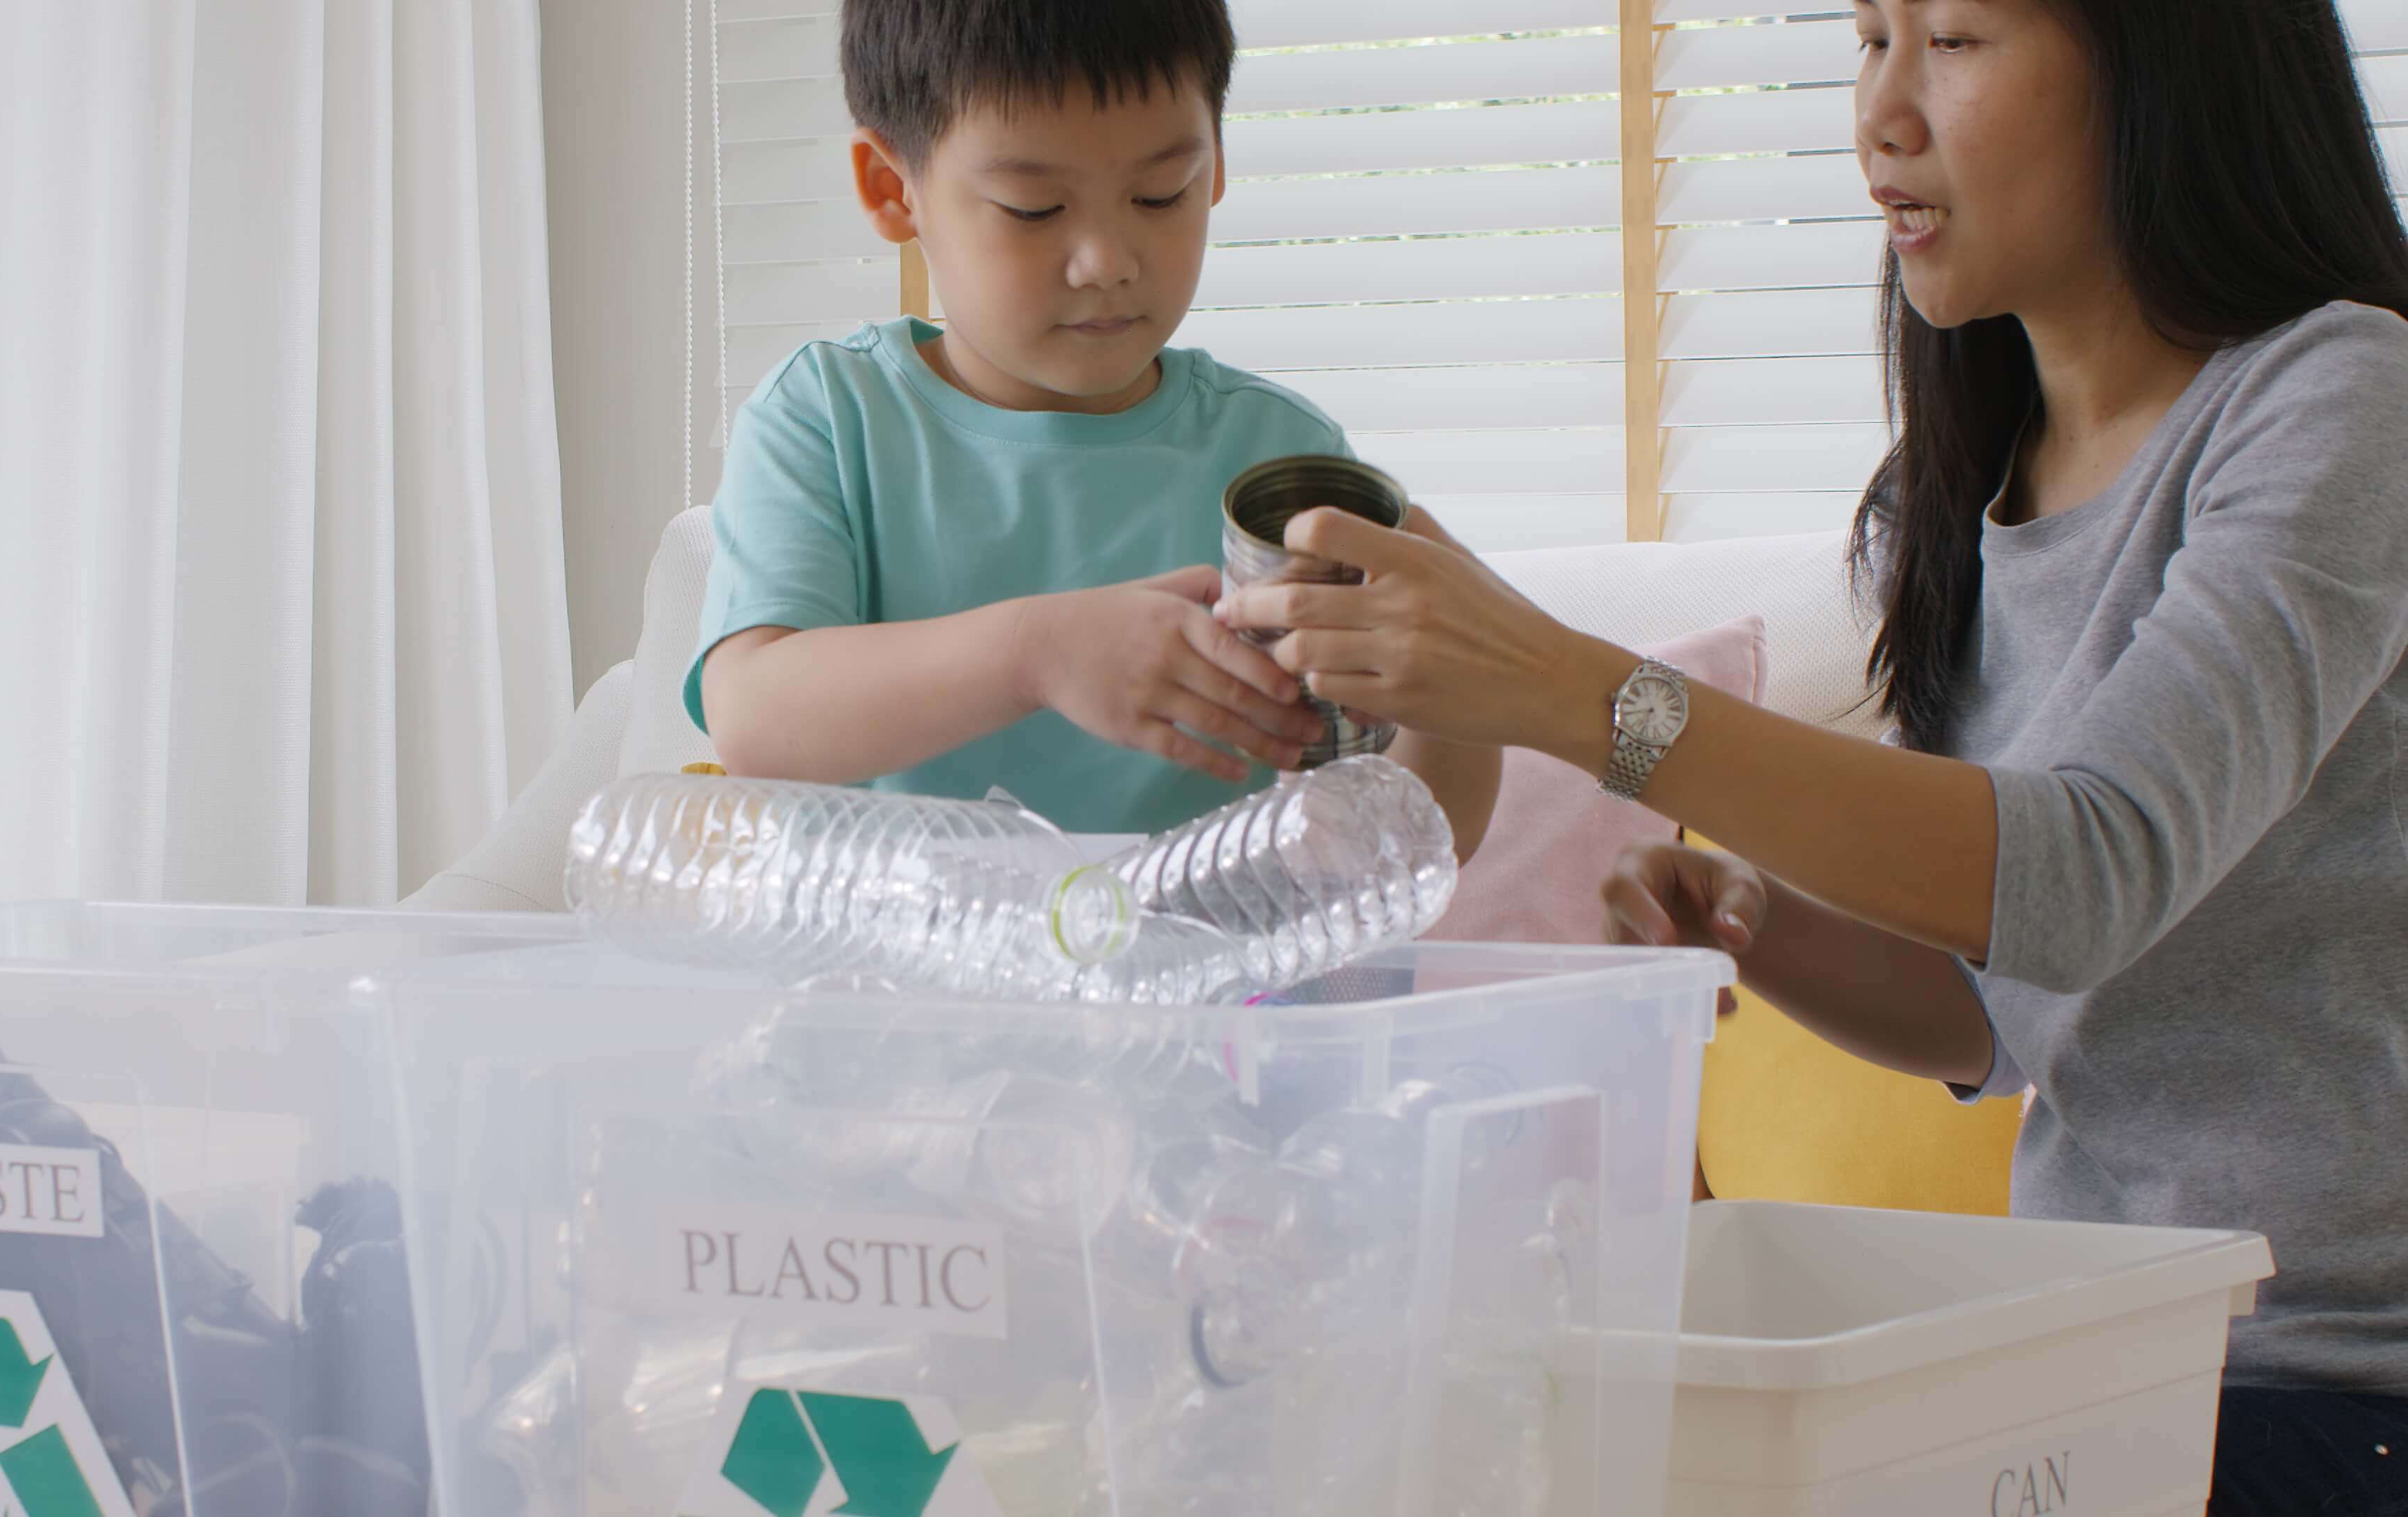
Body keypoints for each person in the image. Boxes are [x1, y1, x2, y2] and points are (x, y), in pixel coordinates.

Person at [1215, 0, 2408, 1506]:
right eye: (1865, 39)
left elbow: (2087, 868)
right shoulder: (1971, 482)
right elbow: (2004, 1011)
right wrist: (1762, 929)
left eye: (1954, 42)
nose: (1878, 115)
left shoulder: (2343, 399)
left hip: (2330, 1384)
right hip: (2080, 1361)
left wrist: (1580, 692)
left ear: (2163, 63)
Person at [687, 0, 1498, 846]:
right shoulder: (827, 419)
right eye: (1033, 209)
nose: (1107, 262)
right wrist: (1033, 653)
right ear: (893, 189)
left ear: (1215, 166)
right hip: (896, 969)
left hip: (1205, 968)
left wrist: (1454, 690)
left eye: (1159, 194)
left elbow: (1402, 845)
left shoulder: (1279, 460)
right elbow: (755, 722)